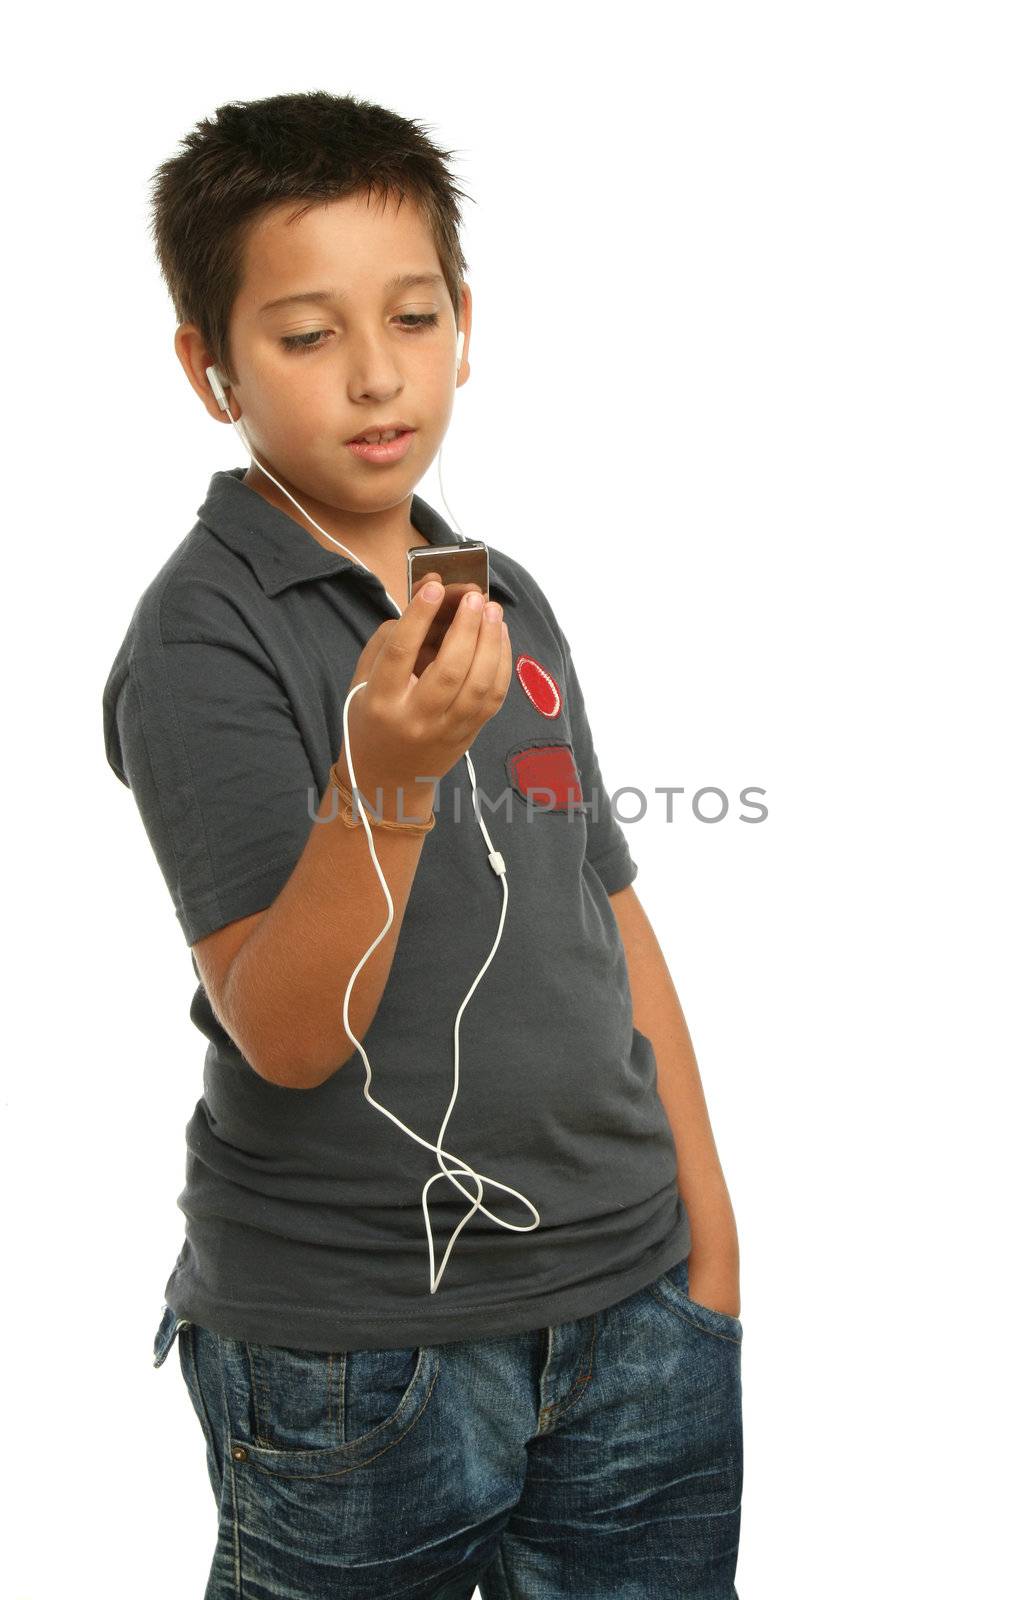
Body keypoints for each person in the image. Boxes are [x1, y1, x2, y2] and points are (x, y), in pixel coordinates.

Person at [102, 90, 743, 1600]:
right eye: (306, 335)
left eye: (413, 313)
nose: (379, 375)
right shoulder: (202, 642)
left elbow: (607, 909)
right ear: (212, 369)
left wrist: (707, 1252)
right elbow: (292, 1034)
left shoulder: (500, 594)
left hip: (635, 1310)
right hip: (354, 1357)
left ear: (467, 320)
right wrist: (383, 780)